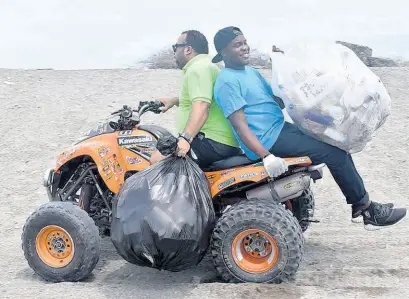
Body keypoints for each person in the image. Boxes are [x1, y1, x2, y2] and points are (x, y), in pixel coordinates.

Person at [211, 26, 406, 230]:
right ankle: (367, 211)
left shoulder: (250, 72)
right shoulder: (226, 82)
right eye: (237, 45)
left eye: (244, 42)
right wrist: (266, 156)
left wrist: (304, 78)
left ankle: (364, 205)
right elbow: (240, 126)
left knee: (337, 144)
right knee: (335, 155)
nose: (244, 48)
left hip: (281, 129)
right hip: (267, 140)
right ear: (223, 52)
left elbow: (278, 100)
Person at [149, 29, 241, 169]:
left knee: (156, 159)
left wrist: (186, 138)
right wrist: (174, 101)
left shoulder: (197, 69)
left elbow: (202, 105)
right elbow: (204, 96)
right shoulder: (208, 66)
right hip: (222, 141)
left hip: (211, 141)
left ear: (188, 49)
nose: (174, 52)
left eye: (175, 47)